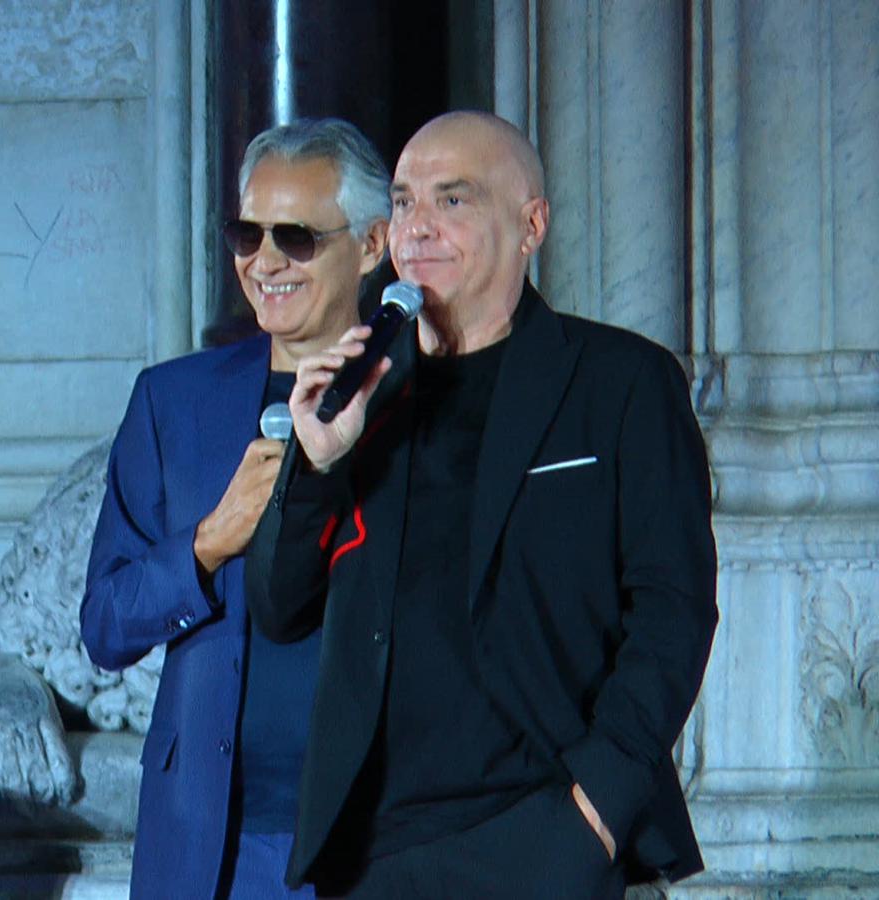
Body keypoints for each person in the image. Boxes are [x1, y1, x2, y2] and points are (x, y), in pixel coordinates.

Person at [244, 110, 718, 898]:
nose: (417, 228)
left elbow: (673, 613)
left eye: (452, 201)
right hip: (373, 855)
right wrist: (318, 462)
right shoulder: (362, 390)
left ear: (531, 226)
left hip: (549, 837)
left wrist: (593, 814)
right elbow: (279, 604)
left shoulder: (621, 382)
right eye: (403, 203)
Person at [82, 118, 391, 899]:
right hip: (209, 844)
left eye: (296, 237)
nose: (265, 261)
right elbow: (106, 625)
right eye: (247, 236)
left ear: (372, 244)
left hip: (377, 838)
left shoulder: (416, 399)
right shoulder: (173, 401)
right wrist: (208, 544)